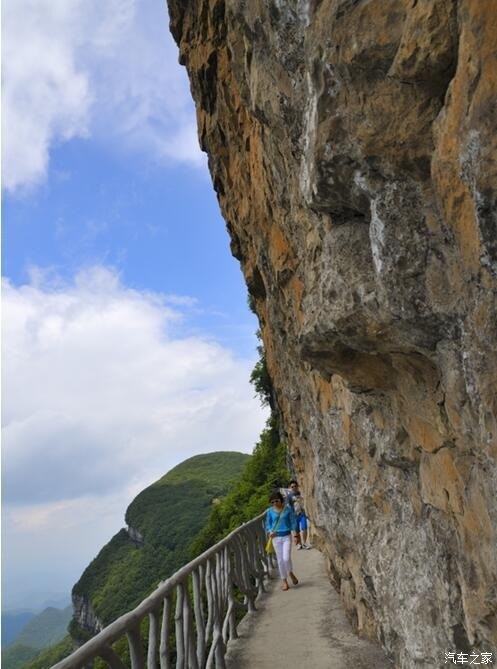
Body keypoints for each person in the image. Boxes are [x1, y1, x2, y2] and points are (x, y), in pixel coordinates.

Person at [265, 489, 300, 591]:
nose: (275, 503)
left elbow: (293, 522)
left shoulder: (287, 509)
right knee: (280, 560)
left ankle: (290, 572)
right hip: (275, 538)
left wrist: (295, 535)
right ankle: (284, 581)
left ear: (281, 500)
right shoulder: (270, 511)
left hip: (286, 536)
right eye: (272, 502)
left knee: (286, 558)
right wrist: (270, 531)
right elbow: (268, 524)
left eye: (276, 501)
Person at [286, 480, 311, 549]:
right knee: (297, 531)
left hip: (302, 514)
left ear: (297, 486)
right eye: (292, 487)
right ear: (290, 487)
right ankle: (299, 544)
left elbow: (306, 502)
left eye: (295, 486)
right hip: (294, 515)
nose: (294, 487)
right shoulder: (289, 496)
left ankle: (305, 543)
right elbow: (288, 506)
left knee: (304, 528)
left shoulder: (301, 494)